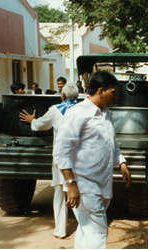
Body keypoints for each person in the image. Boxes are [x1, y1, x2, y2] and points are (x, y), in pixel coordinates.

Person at [53, 70, 131, 249]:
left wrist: (122, 161)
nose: (116, 96)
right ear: (100, 91)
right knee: (98, 231)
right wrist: (71, 183)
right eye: (113, 92)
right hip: (83, 183)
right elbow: (61, 151)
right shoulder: (77, 113)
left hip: (102, 182)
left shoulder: (105, 112)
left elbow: (110, 141)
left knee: (86, 227)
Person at [20, 82, 79, 239]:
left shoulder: (55, 110)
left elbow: (39, 125)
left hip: (61, 159)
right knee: (80, 193)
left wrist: (32, 120)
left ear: (63, 95)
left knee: (59, 194)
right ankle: (85, 228)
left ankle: (60, 230)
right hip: (80, 159)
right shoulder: (84, 110)